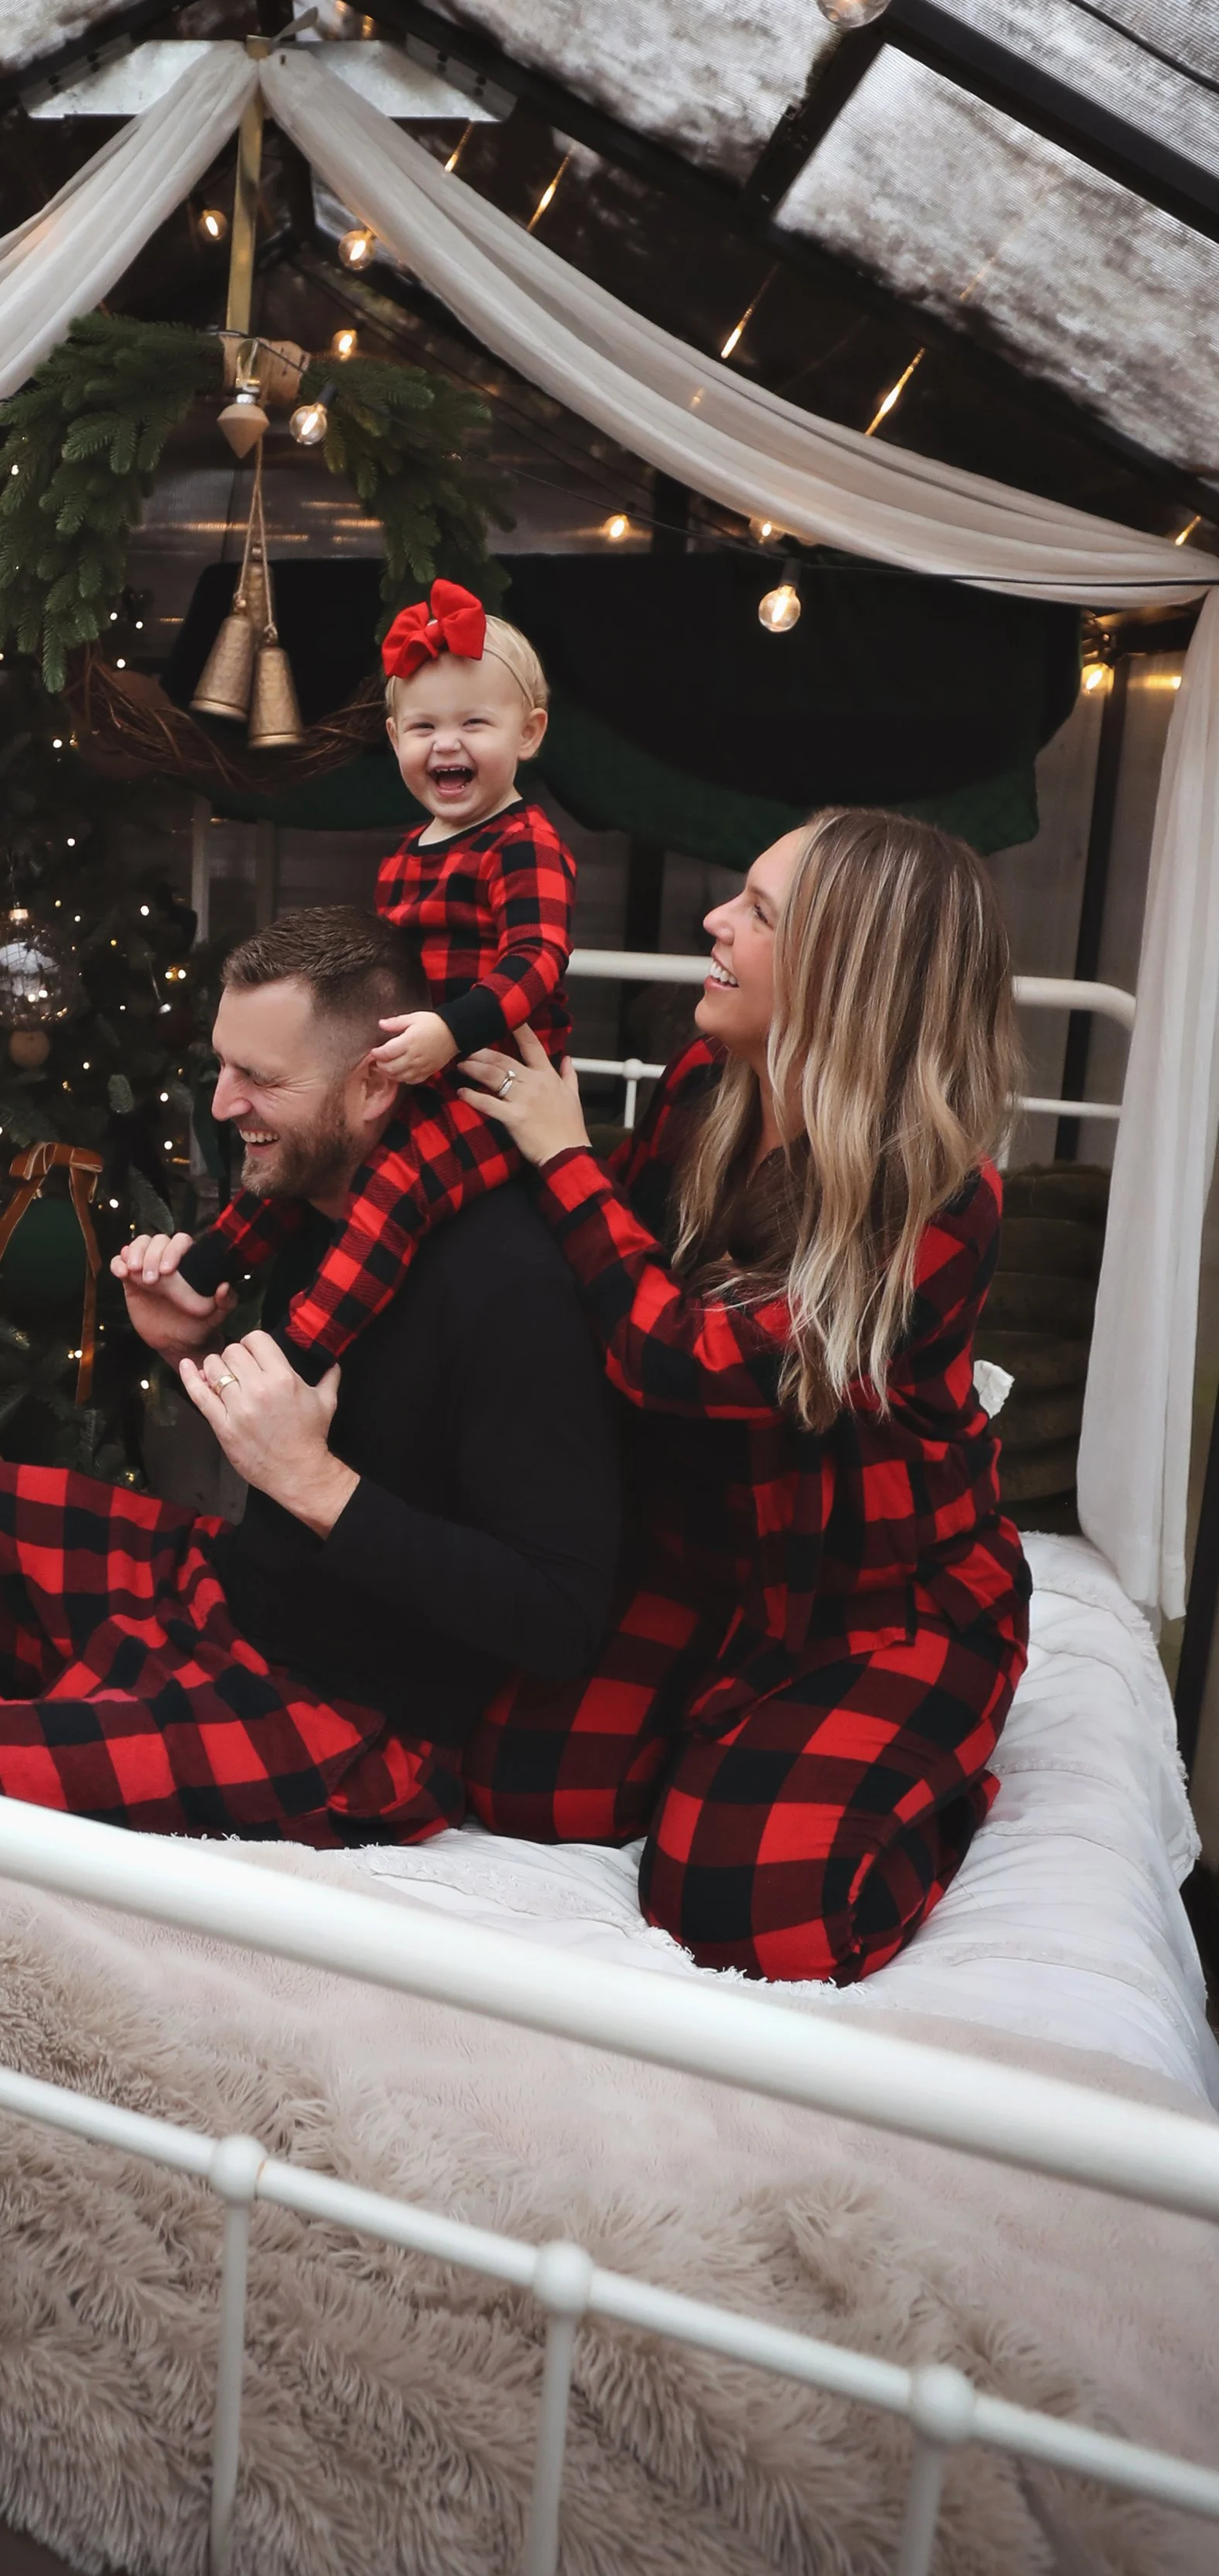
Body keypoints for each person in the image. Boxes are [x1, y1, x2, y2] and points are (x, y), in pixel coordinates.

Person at [0, 907, 619, 1842]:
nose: (221, 1104)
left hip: (352, 1715)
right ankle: (25, 1815)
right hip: (236, 1592)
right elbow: (294, 1426)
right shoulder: (315, 1204)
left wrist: (315, 1484)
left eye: (259, 1078)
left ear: (376, 1082)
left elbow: (559, 1616)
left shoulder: (510, 1284)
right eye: (222, 1066)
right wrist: (183, 1348)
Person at [456, 807, 1029, 1986]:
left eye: (759, 912)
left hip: (880, 1602)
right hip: (711, 1571)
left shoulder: (940, 1198)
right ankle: (725, 1735)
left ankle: (940, 1781)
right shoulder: (704, 1089)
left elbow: (684, 1356)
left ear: (845, 971)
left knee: (740, 1909)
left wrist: (566, 1155)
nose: (714, 923)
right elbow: (588, 1279)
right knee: (517, 1779)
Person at [177, 580, 579, 1379]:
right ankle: (202, 1270)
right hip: (412, 1067)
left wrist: (450, 1029)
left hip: (489, 1085)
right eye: (423, 727)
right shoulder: (404, 854)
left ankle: (298, 1356)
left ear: (528, 734)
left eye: (474, 723)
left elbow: (537, 959)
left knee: (392, 1188)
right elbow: (377, 978)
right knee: (308, 1156)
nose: (445, 745)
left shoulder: (521, 842)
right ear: (393, 737)